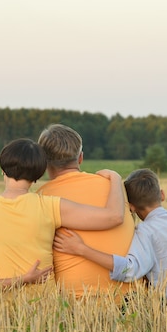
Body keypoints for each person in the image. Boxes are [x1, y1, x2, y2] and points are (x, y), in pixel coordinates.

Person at [0, 138, 125, 294]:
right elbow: (113, 217)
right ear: (38, 175)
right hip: (43, 304)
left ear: (2, 169)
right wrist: (115, 178)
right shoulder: (49, 206)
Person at [53, 168, 167, 300]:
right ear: (162, 194)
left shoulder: (146, 232)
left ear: (131, 207)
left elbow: (129, 270)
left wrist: (82, 249)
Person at [37, 124, 137, 299]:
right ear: (80, 157)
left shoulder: (41, 198)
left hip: (78, 300)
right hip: (132, 297)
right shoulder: (114, 186)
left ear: (44, 163)